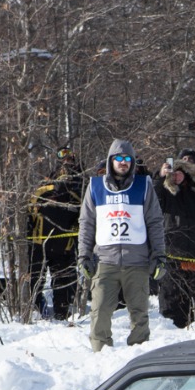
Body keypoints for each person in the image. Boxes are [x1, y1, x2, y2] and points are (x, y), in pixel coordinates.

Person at [77, 139, 166, 350]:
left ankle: (138, 356)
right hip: (105, 261)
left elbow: (155, 222)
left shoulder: (144, 185)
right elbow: (86, 223)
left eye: (127, 159)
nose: (123, 162)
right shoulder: (95, 186)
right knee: (99, 313)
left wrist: (159, 255)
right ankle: (100, 355)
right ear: (111, 161)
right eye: (119, 158)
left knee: (140, 315)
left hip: (137, 261)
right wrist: (83, 256)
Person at [157, 157, 195, 327]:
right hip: (172, 254)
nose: (178, 177)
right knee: (171, 298)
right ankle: (172, 328)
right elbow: (154, 196)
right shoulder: (165, 195)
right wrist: (161, 178)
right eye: (175, 174)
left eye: (181, 174)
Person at [28, 154, 83, 321]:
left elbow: (83, 217)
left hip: (64, 245)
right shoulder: (42, 190)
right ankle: (37, 310)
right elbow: (30, 213)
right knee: (35, 279)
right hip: (39, 243)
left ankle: (63, 312)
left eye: (70, 165)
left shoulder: (77, 193)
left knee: (63, 281)